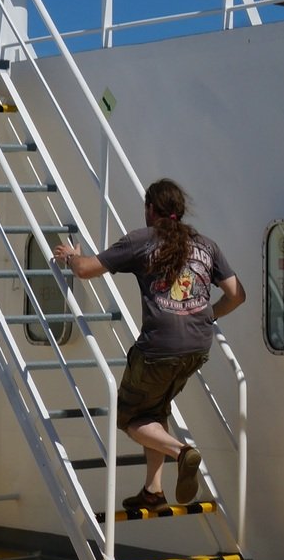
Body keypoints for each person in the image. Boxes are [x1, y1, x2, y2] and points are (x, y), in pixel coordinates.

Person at [54, 178, 245, 513]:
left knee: (129, 417)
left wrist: (71, 257)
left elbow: (85, 270)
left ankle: (181, 453)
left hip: (160, 348)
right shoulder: (206, 245)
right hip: (198, 347)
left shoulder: (141, 241)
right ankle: (153, 490)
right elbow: (236, 295)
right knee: (154, 411)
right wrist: (208, 315)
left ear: (151, 209)